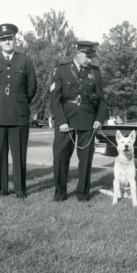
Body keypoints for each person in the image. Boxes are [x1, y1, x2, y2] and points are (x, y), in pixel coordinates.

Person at [0, 23, 37, 199]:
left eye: (10, 39)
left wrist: (19, 100)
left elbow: (32, 87)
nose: (7, 42)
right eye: (3, 39)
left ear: (15, 40)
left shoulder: (25, 61)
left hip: (18, 112)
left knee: (19, 154)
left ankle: (20, 190)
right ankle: (1, 189)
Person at [50, 41, 107, 202]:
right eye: (87, 56)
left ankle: (83, 193)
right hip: (66, 120)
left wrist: (99, 119)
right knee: (61, 157)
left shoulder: (94, 72)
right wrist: (61, 121)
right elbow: (55, 98)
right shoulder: (62, 70)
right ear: (78, 54)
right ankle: (60, 193)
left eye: (92, 56)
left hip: (88, 120)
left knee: (86, 159)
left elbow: (102, 99)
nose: (90, 59)